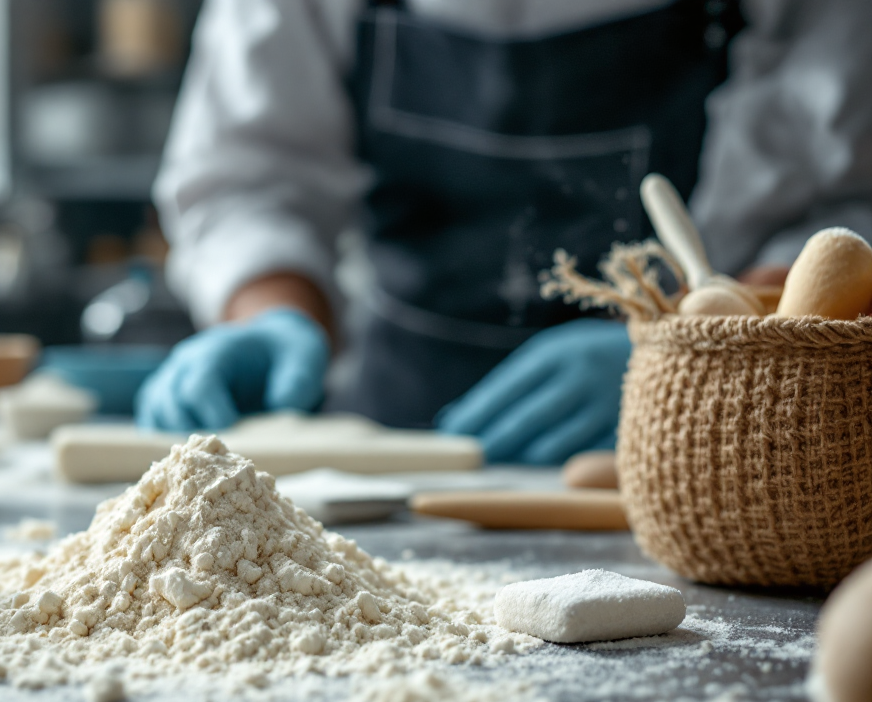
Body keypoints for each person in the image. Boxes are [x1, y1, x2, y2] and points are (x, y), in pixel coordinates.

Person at [137, 0, 872, 464]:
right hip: (389, 446)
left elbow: (840, 217)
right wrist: (274, 315)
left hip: (698, 451)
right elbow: (249, 174)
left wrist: (683, 359)